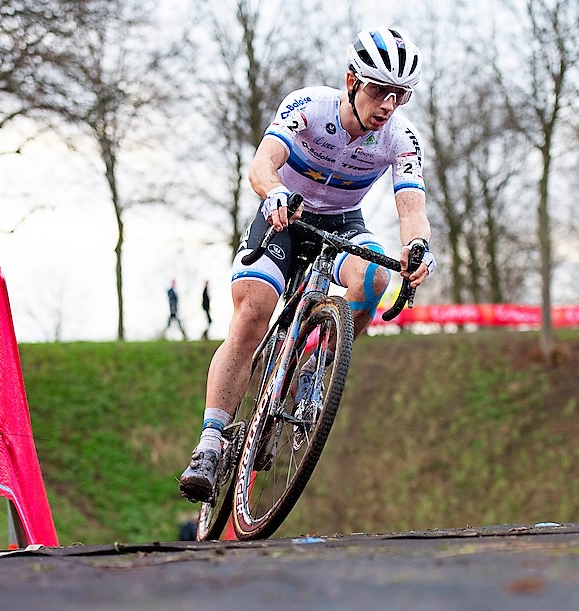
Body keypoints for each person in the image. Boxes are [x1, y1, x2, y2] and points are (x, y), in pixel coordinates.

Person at [179, 28, 435, 502]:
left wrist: (417, 248)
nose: (387, 106)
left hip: (340, 224)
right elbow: (262, 163)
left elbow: (411, 209)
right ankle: (211, 443)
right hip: (285, 215)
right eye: (379, 91)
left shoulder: (400, 138)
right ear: (352, 80)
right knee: (253, 313)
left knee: (376, 277)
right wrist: (273, 191)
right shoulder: (308, 107)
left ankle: (319, 364)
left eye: (399, 96)